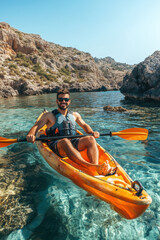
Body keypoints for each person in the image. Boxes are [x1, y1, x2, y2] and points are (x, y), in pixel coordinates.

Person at [26, 88, 115, 175]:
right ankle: (89, 166)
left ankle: (95, 167)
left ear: (69, 101)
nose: (63, 101)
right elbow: (36, 126)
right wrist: (31, 134)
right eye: (61, 99)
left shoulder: (75, 115)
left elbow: (84, 125)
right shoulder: (49, 115)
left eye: (66, 99)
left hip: (73, 141)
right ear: (57, 101)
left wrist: (92, 132)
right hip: (57, 144)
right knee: (65, 141)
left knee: (91, 139)